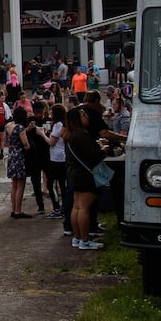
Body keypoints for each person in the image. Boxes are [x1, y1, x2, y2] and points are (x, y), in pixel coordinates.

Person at [63, 105, 106, 250]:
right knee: (84, 208)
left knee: (77, 207)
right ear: (77, 120)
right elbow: (92, 157)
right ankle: (85, 239)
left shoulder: (69, 135)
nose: (86, 117)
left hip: (74, 174)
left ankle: (77, 237)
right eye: (83, 115)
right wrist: (104, 151)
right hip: (85, 175)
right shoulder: (81, 135)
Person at [4, 104, 35, 218]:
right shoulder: (20, 128)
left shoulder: (8, 126)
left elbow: (5, 143)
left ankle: (13, 209)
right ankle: (18, 210)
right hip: (19, 155)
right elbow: (26, 144)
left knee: (14, 184)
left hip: (11, 153)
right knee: (20, 184)